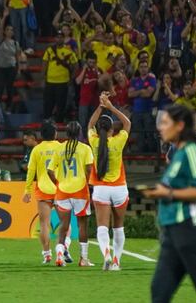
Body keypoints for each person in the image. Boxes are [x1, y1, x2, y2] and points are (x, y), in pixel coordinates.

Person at [142, 105, 196, 303]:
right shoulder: (178, 153)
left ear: (179, 125)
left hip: (194, 230)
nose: (160, 128)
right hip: (174, 234)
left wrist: (168, 193)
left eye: (165, 123)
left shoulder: (194, 152)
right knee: (159, 291)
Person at [87, 93, 131, 271]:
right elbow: (127, 123)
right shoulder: (118, 141)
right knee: (118, 227)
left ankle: (106, 253)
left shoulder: (94, 141)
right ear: (112, 129)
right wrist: (111, 107)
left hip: (101, 189)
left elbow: (89, 124)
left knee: (102, 227)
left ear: (98, 130)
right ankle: (116, 262)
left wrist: (100, 106)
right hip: (119, 188)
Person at [48, 120, 94, 268]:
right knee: (82, 226)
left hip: (63, 191)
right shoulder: (85, 149)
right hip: (80, 191)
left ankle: (60, 254)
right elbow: (89, 170)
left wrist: (58, 183)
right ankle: (83, 259)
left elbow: (49, 170)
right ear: (79, 133)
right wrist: (88, 183)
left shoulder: (59, 148)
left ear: (66, 133)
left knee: (64, 225)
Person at [23, 121, 63, 264]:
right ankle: (61, 251)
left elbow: (30, 172)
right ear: (55, 134)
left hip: (43, 189)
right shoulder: (60, 147)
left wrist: (27, 190)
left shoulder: (37, 149)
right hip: (60, 189)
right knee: (64, 223)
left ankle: (47, 254)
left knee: (44, 224)